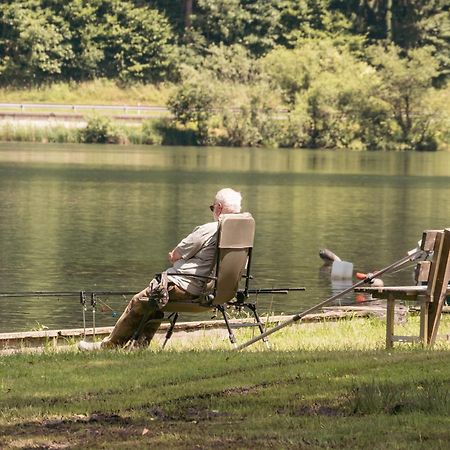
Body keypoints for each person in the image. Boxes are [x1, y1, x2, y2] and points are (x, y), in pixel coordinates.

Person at [78, 187, 242, 351]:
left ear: (219, 207)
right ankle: (138, 346)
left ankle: (110, 345)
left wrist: (176, 255)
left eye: (213, 208)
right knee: (155, 297)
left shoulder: (210, 229)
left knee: (142, 300)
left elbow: (176, 255)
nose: (213, 211)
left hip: (187, 287)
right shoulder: (241, 233)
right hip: (217, 291)